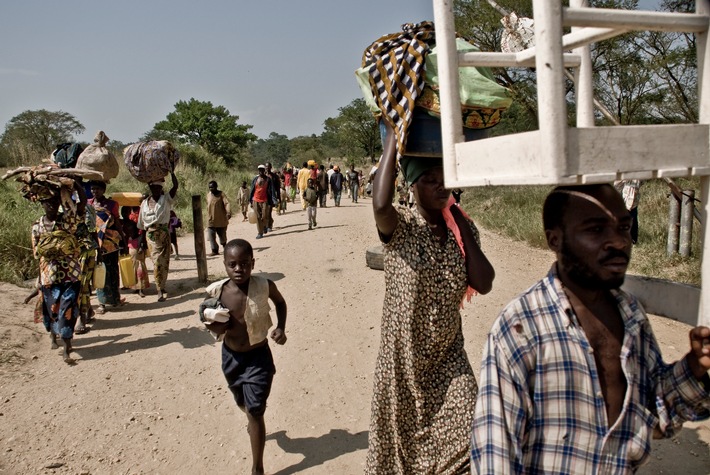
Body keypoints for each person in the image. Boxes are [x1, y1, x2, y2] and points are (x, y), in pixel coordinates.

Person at [470, 184, 710, 474]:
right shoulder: (521, 329)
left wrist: (695, 365)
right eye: (596, 230)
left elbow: (653, 411)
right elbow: (495, 457)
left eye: (623, 227)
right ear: (555, 240)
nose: (618, 241)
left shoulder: (630, 314)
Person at [366, 122, 495, 474]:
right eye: (429, 179)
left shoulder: (462, 230)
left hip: (448, 358)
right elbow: (380, 205)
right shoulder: (402, 229)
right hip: (402, 363)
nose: (441, 185)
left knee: (470, 439)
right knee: (401, 455)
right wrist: (394, 137)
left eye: (445, 178)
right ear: (412, 183)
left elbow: (484, 282)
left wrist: (460, 224)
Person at [201, 238, 287, 475]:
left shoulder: (265, 285)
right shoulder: (218, 292)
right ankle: (250, 415)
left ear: (253, 263)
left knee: (255, 410)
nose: (239, 269)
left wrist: (281, 327)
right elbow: (207, 317)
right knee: (243, 403)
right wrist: (213, 323)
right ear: (225, 265)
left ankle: (257, 468)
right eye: (233, 264)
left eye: (245, 263)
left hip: (259, 357)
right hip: (231, 359)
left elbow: (280, 303)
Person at [30, 180, 87, 363]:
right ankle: (54, 336)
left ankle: (66, 346)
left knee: (68, 309)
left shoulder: (67, 221)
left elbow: (82, 205)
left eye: (55, 203)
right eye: (48, 203)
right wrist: (39, 279)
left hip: (71, 274)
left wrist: (76, 185)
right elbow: (37, 254)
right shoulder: (37, 227)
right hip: (49, 276)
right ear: (42, 204)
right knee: (52, 309)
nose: (52, 206)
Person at [138, 171, 179, 302]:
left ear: (161, 189)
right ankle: (159, 290)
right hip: (151, 235)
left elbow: (175, 186)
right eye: (153, 188)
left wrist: (172, 172)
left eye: (158, 188)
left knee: (164, 262)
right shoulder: (144, 203)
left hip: (164, 234)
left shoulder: (165, 199)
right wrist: (141, 242)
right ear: (150, 188)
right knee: (157, 262)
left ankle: (162, 285)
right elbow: (141, 224)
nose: (155, 190)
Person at [88, 181, 125, 315]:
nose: (95, 191)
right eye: (93, 189)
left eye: (98, 189)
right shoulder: (88, 204)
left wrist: (123, 240)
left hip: (110, 243)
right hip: (94, 243)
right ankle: (101, 303)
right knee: (99, 272)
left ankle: (115, 299)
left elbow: (117, 222)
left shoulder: (111, 204)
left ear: (103, 190)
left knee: (112, 270)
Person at [122, 206, 149, 297]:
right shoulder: (124, 222)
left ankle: (141, 288)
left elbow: (141, 233)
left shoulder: (134, 222)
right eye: (123, 212)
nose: (124, 214)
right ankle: (136, 286)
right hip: (131, 245)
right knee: (133, 267)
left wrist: (141, 245)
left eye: (126, 212)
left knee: (139, 266)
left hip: (137, 245)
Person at [250, 165, 275, 239]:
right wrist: (250, 200)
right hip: (256, 200)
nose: (260, 171)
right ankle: (260, 232)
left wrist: (274, 200)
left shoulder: (268, 179)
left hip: (265, 200)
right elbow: (252, 190)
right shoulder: (255, 179)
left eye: (262, 170)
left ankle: (264, 225)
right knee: (258, 217)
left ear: (264, 170)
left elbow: (272, 190)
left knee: (265, 216)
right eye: (259, 170)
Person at [207, 180, 231, 256]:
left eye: (212, 187)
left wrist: (228, 212)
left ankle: (225, 247)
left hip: (221, 220)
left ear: (216, 187)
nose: (211, 189)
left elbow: (227, 203)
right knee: (211, 236)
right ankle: (214, 250)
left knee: (222, 236)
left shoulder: (221, 194)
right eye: (210, 187)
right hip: (211, 220)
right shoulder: (208, 195)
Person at [614, 179, 641, 244]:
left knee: (632, 219)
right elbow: (617, 185)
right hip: (625, 200)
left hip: (633, 201)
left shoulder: (636, 180)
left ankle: (632, 239)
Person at [265, 162, 281, 233]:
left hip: (271, 196)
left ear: (271, 167)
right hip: (263, 196)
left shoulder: (275, 177)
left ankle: (269, 225)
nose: (267, 168)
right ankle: (268, 223)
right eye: (266, 167)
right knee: (264, 212)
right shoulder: (263, 176)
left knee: (269, 211)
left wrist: (278, 197)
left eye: (268, 167)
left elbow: (278, 188)